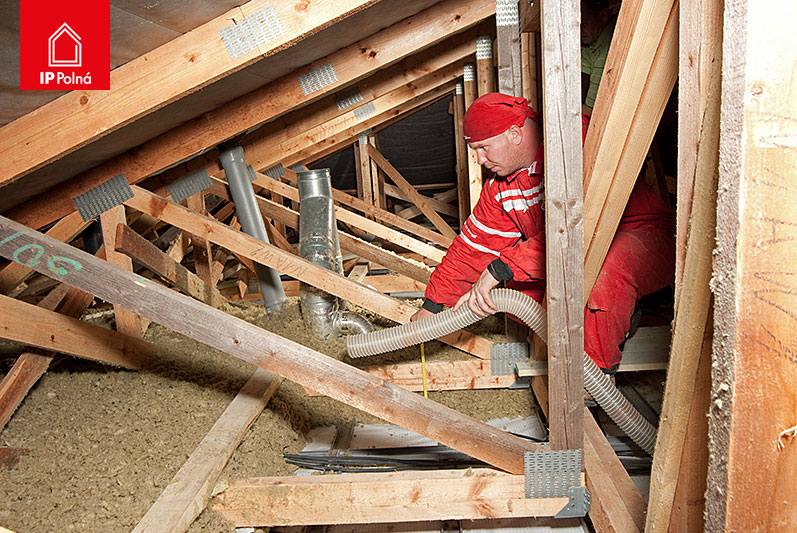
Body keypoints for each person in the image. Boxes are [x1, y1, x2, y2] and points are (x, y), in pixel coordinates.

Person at [410, 93, 675, 373]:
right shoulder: (503, 187)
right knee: (515, 291)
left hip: (641, 237)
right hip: (569, 251)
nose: (480, 159)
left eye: (484, 148)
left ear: (514, 134)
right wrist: (433, 306)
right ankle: (619, 317)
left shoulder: (573, 146)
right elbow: (473, 248)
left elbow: (583, 228)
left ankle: (592, 380)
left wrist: (502, 267)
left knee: (602, 271)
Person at [581, 0, 616, 114]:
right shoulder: (590, 40)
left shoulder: (610, 43)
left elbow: (591, 111)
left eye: (584, 22)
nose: (579, 30)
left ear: (603, 16)